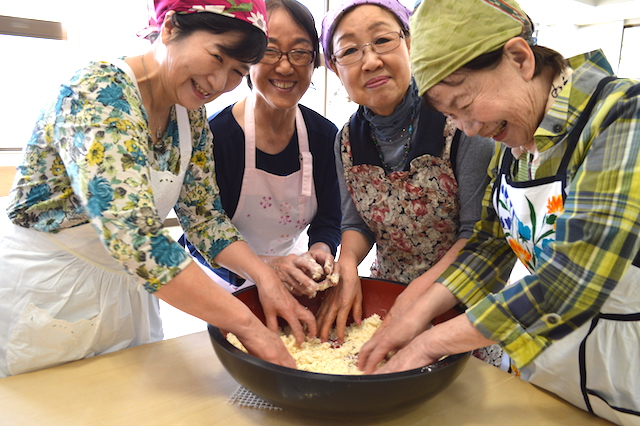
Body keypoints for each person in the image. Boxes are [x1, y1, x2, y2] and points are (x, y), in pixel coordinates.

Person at [0, 0, 318, 378]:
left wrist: (265, 277)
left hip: (125, 287)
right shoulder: (97, 92)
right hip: (50, 284)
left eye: (236, 71)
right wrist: (245, 323)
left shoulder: (189, 113)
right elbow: (134, 236)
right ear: (169, 27)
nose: (218, 84)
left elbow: (205, 219)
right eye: (216, 57)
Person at [358, 0, 640, 424]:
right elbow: (490, 243)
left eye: (466, 105)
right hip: (554, 370)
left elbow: (573, 280)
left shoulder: (622, 116)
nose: (469, 129)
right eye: (453, 116)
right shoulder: (513, 147)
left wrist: (431, 343)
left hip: (628, 370)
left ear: (520, 58)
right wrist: (416, 312)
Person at [316, 0, 501, 367]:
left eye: (382, 40)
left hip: (462, 307)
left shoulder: (462, 121)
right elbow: (355, 223)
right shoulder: (347, 140)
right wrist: (348, 263)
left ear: (410, 44)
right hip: (386, 302)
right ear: (336, 69)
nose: (369, 62)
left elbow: (478, 234)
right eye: (350, 51)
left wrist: (419, 295)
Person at [180, 0, 342, 298]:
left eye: (300, 51)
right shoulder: (217, 138)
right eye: (270, 49)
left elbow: (329, 219)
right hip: (218, 284)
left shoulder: (324, 136)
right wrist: (266, 268)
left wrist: (320, 251)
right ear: (248, 57)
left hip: (290, 277)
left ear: (314, 61)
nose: (285, 65)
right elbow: (199, 234)